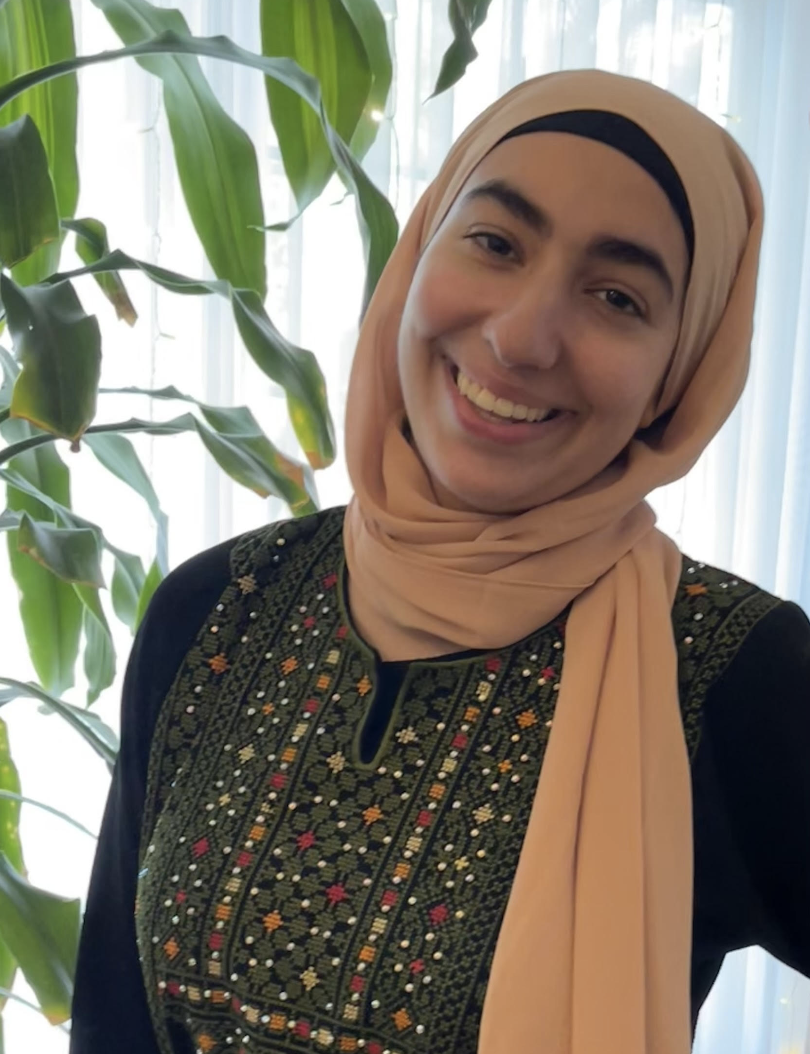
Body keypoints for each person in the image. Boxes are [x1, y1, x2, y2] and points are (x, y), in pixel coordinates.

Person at [69, 69, 810, 1054]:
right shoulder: (217, 608)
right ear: (419, 253)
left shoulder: (729, 672)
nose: (520, 337)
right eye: (496, 242)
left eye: (618, 296)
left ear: (680, 368)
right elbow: (115, 1020)